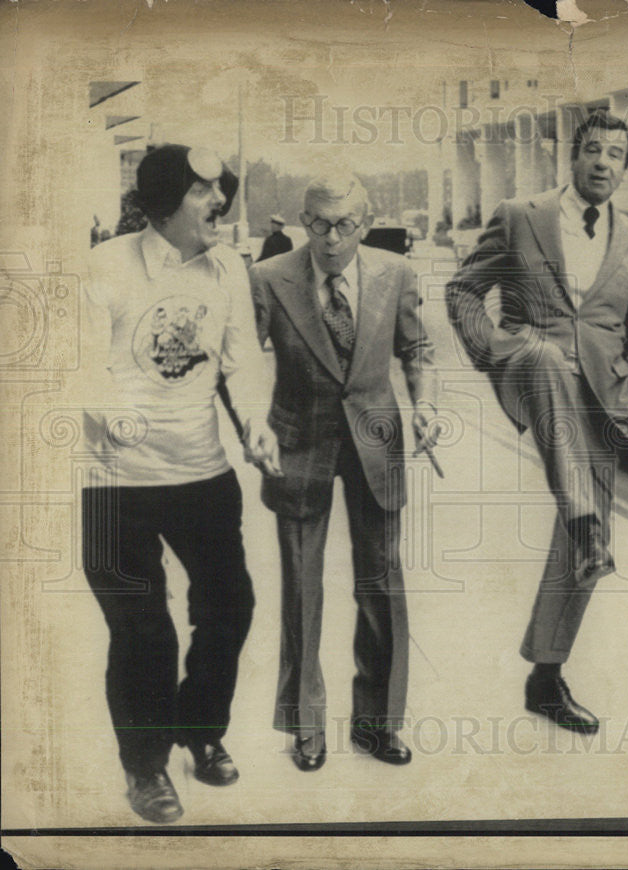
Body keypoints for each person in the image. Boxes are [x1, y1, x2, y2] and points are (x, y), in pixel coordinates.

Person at [79, 144, 281, 824]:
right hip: (116, 485)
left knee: (231, 607)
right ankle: (144, 768)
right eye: (203, 192)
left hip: (202, 474)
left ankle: (200, 728)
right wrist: (118, 420)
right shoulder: (104, 266)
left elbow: (241, 359)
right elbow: (75, 367)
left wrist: (255, 424)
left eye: (219, 188)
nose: (219, 201)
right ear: (165, 203)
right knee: (144, 633)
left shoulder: (228, 268)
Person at [445, 111, 628, 734]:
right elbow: (462, 290)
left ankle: (546, 677)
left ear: (624, 168)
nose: (602, 162)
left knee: (583, 544)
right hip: (527, 367)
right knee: (541, 354)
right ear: (572, 157)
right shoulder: (521, 215)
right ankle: (585, 517)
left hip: (598, 397)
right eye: (592, 150)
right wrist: (491, 349)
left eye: (616, 155)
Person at [249, 172, 438, 770]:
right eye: (319, 225)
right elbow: (240, 357)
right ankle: (305, 726)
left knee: (381, 584)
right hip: (298, 441)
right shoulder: (268, 278)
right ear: (304, 220)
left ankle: (378, 723)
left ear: (366, 219)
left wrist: (425, 402)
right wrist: (253, 424)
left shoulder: (396, 273)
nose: (331, 240)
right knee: (302, 589)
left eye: (345, 226)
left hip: (376, 440)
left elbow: (416, 349)